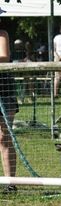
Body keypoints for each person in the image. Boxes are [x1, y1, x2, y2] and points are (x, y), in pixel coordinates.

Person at [0, 23, 18, 193]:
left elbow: (4, 56)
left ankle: (10, 183)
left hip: (3, 91)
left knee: (4, 137)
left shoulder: (2, 33)